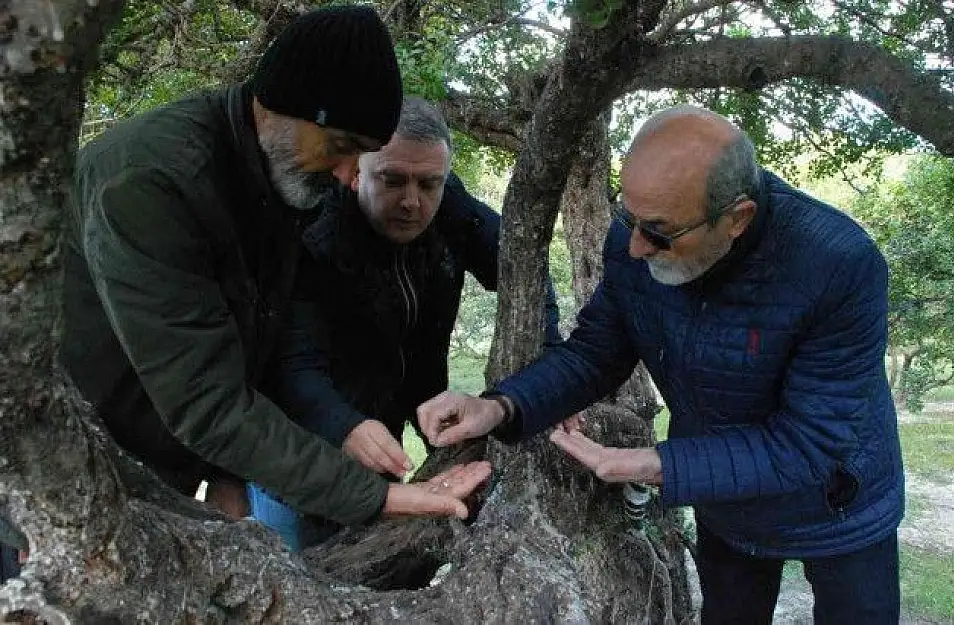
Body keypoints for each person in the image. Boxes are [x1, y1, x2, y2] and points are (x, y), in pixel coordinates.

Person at [416, 106, 905, 624]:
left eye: (660, 232)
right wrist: (501, 407)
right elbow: (595, 352)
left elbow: (810, 441)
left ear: (736, 218)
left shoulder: (837, 262)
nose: (635, 245)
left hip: (840, 505)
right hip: (725, 498)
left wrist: (660, 465)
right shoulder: (636, 240)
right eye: (628, 217)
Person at [59, 5, 489, 540]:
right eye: (341, 149)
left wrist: (224, 472)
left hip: (153, 465)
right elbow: (205, 398)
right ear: (279, 107)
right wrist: (379, 498)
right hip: (61, 462)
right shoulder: (151, 183)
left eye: (363, 156)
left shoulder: (278, 174)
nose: (350, 177)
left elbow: (253, 337)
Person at [246, 96, 563, 550]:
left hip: (395, 427)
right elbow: (290, 363)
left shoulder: (450, 209)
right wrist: (343, 426)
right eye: (391, 179)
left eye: (429, 183)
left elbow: (524, 268)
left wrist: (549, 367)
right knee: (301, 574)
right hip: (299, 456)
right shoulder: (312, 233)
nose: (412, 202)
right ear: (354, 171)